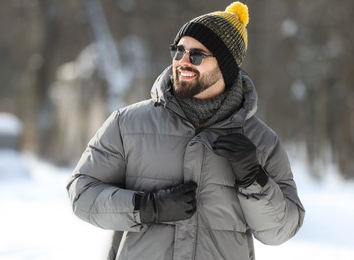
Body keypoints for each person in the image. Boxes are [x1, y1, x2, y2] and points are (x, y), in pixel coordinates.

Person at [66, 1, 305, 259]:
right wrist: (147, 207)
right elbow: (82, 194)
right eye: (178, 51)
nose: (183, 61)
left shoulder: (261, 142)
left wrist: (254, 179)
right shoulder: (128, 124)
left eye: (197, 55)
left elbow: (281, 230)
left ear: (226, 65)